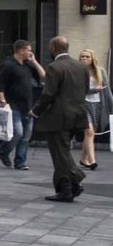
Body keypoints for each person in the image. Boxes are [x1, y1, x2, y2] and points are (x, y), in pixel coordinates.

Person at [31, 36, 89, 202]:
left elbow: (48, 93)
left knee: (60, 153)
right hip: (78, 114)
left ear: (53, 48)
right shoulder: (81, 66)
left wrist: (35, 111)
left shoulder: (55, 67)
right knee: (62, 151)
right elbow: (85, 89)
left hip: (59, 117)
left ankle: (74, 180)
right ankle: (68, 188)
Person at [0, 40, 44, 171]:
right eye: (28, 50)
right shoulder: (8, 65)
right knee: (18, 132)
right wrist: (2, 100)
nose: (30, 52)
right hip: (13, 104)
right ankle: (4, 151)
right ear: (21, 50)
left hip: (27, 105)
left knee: (26, 135)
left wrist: (34, 61)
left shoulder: (28, 65)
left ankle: (20, 161)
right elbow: (0, 84)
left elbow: (43, 76)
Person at [77, 49, 105, 170]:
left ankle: (83, 159)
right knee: (89, 132)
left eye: (87, 57)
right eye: (82, 56)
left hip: (97, 103)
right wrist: (94, 90)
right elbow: (78, 91)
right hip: (84, 103)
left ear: (92, 58)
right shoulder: (77, 71)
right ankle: (92, 161)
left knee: (91, 133)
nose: (84, 59)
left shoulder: (100, 71)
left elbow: (106, 89)